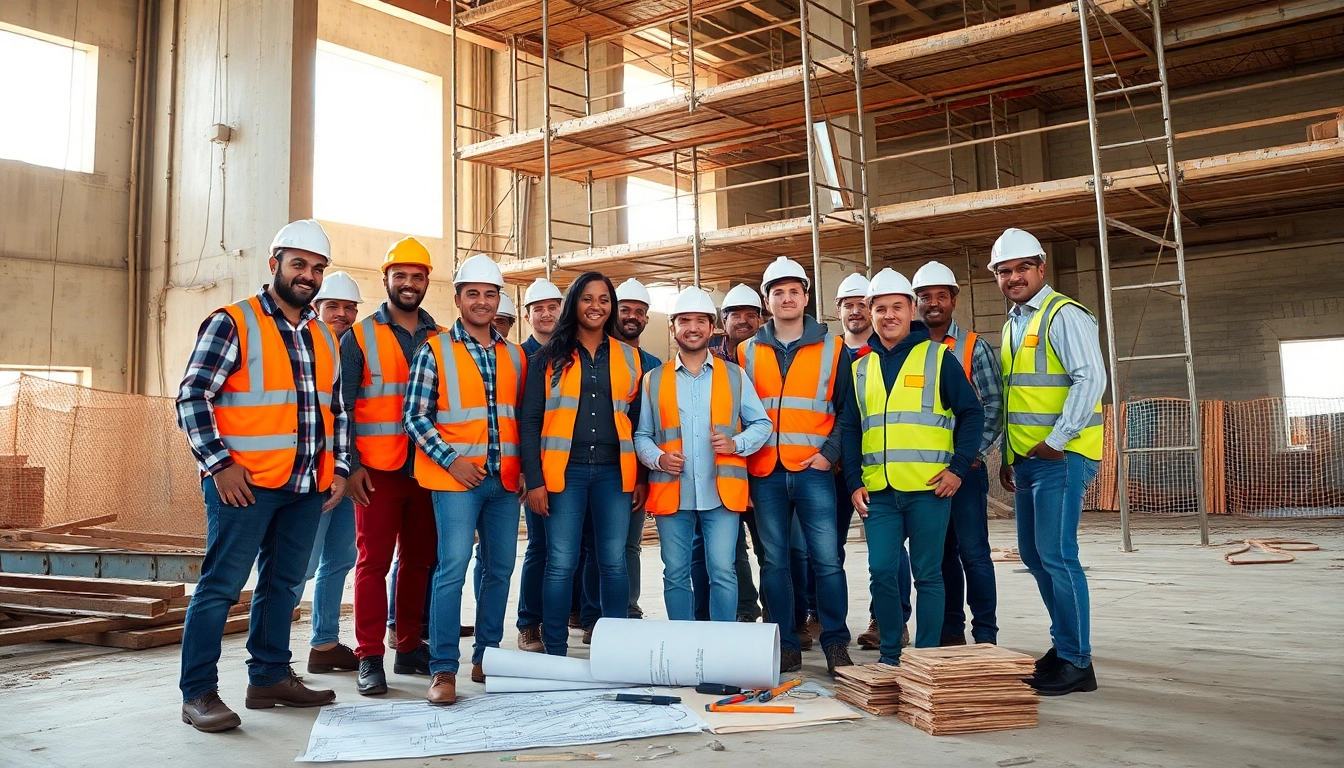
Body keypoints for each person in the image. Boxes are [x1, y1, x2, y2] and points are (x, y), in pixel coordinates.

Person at [175, 219, 347, 732]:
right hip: (244, 485)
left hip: (305, 488)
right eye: (299, 264)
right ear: (274, 264)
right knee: (221, 588)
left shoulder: (322, 335)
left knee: (284, 586)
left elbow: (335, 410)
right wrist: (219, 464)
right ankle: (198, 693)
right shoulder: (233, 322)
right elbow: (193, 396)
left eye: (317, 268)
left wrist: (338, 468)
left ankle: (270, 677)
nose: (308, 275)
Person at [841, 269, 984, 666]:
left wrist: (958, 468)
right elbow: (851, 427)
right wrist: (853, 481)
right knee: (882, 572)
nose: (889, 316)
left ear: (910, 310)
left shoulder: (938, 358)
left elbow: (972, 413)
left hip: (929, 489)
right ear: (870, 312)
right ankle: (891, 657)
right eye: (880, 308)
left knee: (928, 574)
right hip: (879, 492)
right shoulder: (860, 368)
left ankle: (926, 659)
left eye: (897, 307)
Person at [403, 254, 526, 705]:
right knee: (451, 569)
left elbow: (524, 419)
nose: (481, 301)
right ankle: (443, 669)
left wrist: (525, 470)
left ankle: (487, 656)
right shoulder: (433, 350)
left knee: (500, 570)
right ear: (457, 299)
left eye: (490, 294)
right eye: (472, 293)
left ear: (499, 300)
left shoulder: (515, 355)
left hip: (504, 481)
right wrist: (451, 460)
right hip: (456, 481)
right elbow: (414, 417)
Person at [991, 228, 1106, 696]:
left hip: (1062, 456)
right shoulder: (1013, 324)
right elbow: (1017, 398)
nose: (1014, 277)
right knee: (1036, 557)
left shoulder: (1063, 314)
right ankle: (1064, 648)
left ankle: (1078, 662)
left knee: (1058, 556)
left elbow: (1090, 378)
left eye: (1022, 268)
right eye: (1004, 271)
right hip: (1029, 460)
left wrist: (1058, 440)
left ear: (1041, 268)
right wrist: (1008, 454)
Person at [520, 272, 644, 656]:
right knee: (561, 561)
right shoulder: (547, 357)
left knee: (614, 561)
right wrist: (534, 480)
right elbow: (530, 421)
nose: (596, 306)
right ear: (574, 303)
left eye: (604, 299)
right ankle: (555, 650)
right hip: (564, 473)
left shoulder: (629, 356)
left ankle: (616, 650)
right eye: (588, 298)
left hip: (614, 474)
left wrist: (640, 477)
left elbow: (637, 421)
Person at [739, 256, 853, 676]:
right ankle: (785, 644)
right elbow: (737, 415)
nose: (786, 298)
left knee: (827, 560)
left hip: (813, 471)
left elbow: (847, 411)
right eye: (778, 292)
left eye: (794, 291)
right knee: (774, 562)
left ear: (806, 297)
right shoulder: (746, 351)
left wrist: (829, 454)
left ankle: (835, 642)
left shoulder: (834, 348)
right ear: (766, 300)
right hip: (765, 472)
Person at [342, 237, 444, 696]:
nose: (408, 283)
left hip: (427, 470)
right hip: (377, 472)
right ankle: (369, 655)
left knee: (419, 562)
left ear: (426, 282)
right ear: (385, 279)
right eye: (399, 275)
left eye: (416, 276)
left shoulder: (443, 337)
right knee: (373, 564)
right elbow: (342, 407)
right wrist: (351, 466)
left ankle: (408, 646)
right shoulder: (359, 337)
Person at [635, 287, 772, 621]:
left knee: (723, 571)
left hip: (721, 493)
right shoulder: (654, 380)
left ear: (713, 327)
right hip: (673, 492)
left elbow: (762, 424)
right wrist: (658, 459)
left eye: (700, 321)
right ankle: (682, 640)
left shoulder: (734, 375)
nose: (692, 328)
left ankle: (722, 642)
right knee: (675, 574)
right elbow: (642, 435)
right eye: (684, 321)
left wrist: (737, 444)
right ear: (672, 327)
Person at [912, 260, 1004, 647]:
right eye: (925, 296)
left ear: (954, 300)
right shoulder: (908, 349)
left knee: (974, 552)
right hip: (924, 470)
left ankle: (985, 634)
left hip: (964, 469)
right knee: (940, 554)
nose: (933, 303)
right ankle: (951, 630)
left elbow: (994, 405)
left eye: (941, 296)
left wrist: (970, 456)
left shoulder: (972, 346)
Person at [291, 271, 363, 675]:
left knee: (341, 557)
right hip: (310, 475)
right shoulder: (303, 346)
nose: (342, 314)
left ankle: (324, 644)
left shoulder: (348, 349)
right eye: (332, 306)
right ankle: (271, 659)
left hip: (344, 471)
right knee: (301, 564)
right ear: (316, 307)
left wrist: (349, 467)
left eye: (349, 308)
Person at [708, 284, 771, 625]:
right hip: (722, 470)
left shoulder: (768, 355)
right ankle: (746, 608)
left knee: (770, 549)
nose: (744, 321)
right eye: (736, 315)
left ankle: (780, 613)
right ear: (723, 320)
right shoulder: (709, 357)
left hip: (763, 467)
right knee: (730, 550)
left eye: (751, 314)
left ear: (761, 319)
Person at [515, 277, 565, 653]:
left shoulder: (572, 353)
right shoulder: (519, 358)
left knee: (571, 548)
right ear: (527, 315)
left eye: (552, 307)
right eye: (538, 309)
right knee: (540, 546)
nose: (546, 314)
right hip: (535, 469)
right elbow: (520, 419)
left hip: (570, 467)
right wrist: (527, 471)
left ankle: (567, 617)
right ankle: (529, 623)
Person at [614, 278, 663, 620]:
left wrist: (643, 477)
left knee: (630, 544)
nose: (632, 316)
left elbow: (652, 427)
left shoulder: (654, 365)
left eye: (639, 311)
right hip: (597, 467)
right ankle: (591, 611)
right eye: (625, 309)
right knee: (594, 545)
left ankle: (629, 607)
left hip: (636, 469)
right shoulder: (595, 356)